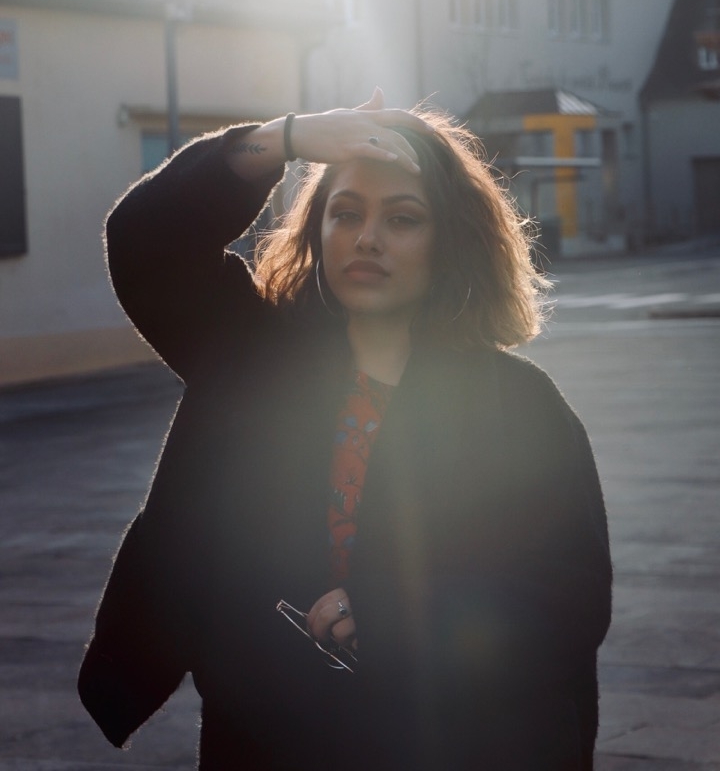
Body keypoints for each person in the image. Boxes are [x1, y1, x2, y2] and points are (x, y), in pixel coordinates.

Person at [78, 89, 612, 770]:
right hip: (263, 739)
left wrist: (389, 618)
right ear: (317, 229)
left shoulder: (520, 406)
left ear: (450, 241)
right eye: (347, 213)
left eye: (403, 218)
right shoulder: (253, 357)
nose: (368, 238)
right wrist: (285, 139)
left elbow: (565, 597)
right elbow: (147, 242)